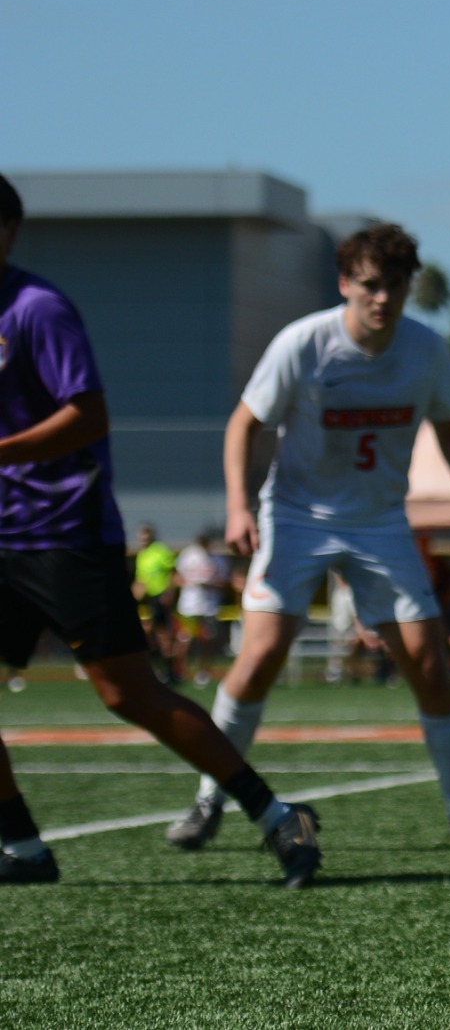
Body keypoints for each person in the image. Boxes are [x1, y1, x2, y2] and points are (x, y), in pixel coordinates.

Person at [0, 173, 320, 887]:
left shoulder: (36, 308)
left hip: (61, 532)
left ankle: (275, 814)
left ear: (10, 231)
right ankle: (23, 846)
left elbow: (88, 414)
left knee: (128, 694)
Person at [160, 222, 450, 852]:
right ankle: (208, 800)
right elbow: (244, 423)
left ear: (409, 287)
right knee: (261, 657)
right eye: (370, 285)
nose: (382, 298)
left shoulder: (426, 349)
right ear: (345, 283)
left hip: (380, 522)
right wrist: (240, 506)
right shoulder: (304, 343)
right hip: (296, 517)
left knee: (430, 666)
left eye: (395, 286)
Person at [171, 529, 230, 688]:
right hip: (189, 606)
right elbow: (176, 577)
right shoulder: (188, 555)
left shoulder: (218, 558)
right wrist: (190, 583)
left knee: (208, 640)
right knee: (185, 639)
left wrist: (209, 584)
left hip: (209, 605)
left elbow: (224, 582)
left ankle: (203, 671)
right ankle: (178, 671)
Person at [131, 523, 179, 675]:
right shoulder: (142, 555)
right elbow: (141, 581)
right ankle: (158, 666)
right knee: (150, 631)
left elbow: (173, 573)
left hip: (161, 596)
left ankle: (170, 669)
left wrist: (169, 592)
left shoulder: (161, 551)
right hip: (151, 598)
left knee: (162, 632)